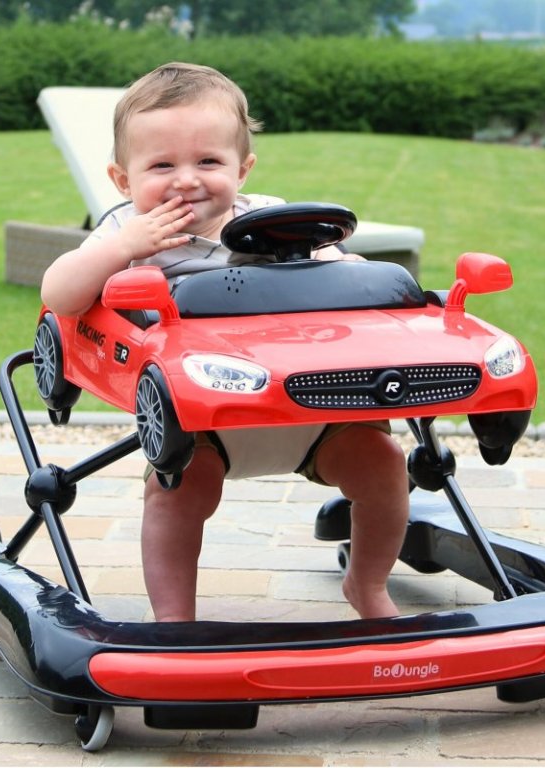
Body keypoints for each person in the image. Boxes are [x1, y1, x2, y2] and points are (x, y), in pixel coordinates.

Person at [41, 62, 410, 622]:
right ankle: (174, 620)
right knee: (177, 493)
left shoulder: (274, 219)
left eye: (209, 162)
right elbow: (59, 295)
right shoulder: (126, 230)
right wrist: (121, 251)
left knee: (384, 464)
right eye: (162, 165)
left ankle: (368, 585)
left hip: (314, 406)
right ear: (123, 180)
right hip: (199, 419)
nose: (187, 180)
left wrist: (348, 266)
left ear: (243, 169)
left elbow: (332, 267)